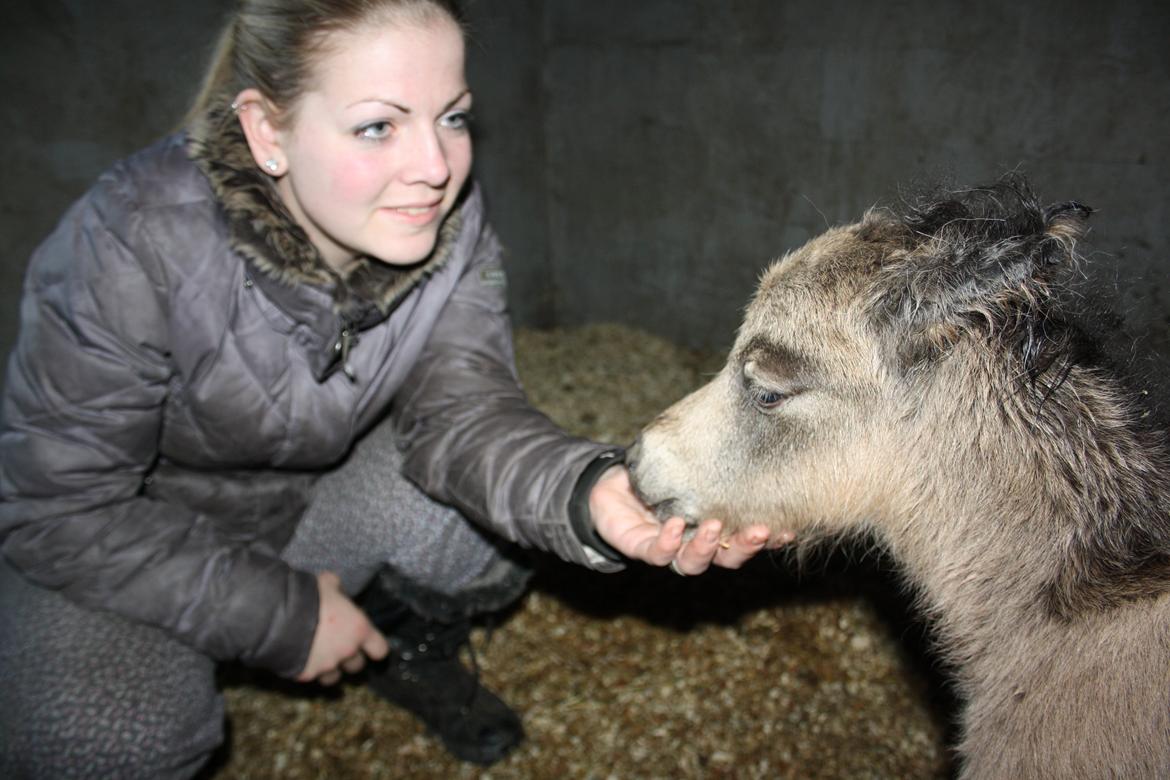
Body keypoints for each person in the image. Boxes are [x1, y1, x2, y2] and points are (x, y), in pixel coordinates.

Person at [0, 1, 788, 776]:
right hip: (123, 546)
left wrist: (588, 493)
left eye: (452, 117)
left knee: (474, 526)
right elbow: (57, 509)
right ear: (267, 132)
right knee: (107, 741)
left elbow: (464, 414)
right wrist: (284, 615)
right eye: (379, 125)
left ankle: (401, 643)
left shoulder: (445, 224)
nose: (437, 168)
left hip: (300, 509)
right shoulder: (132, 239)